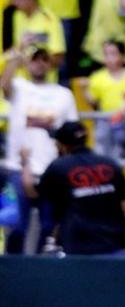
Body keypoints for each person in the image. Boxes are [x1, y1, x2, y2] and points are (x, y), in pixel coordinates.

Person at [1, 46, 77, 253]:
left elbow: (71, 131)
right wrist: (15, 59)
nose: (39, 63)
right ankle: (11, 273)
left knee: (48, 227)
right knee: (16, 227)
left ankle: (39, 272)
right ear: (29, 62)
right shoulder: (19, 86)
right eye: (35, 59)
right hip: (17, 168)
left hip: (51, 170)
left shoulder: (64, 94)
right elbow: (4, 86)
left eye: (45, 59)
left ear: (51, 63)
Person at [23, 120, 125, 255]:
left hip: (78, 250)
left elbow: (32, 192)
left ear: (62, 146)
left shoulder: (59, 167)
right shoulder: (111, 164)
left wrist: (25, 161)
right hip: (114, 247)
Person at [84, 39, 125, 158]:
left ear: (123, 56)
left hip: (124, 120)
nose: (109, 58)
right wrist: (86, 92)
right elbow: (94, 102)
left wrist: (122, 112)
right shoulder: (97, 77)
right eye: (106, 54)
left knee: (120, 152)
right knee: (101, 150)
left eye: (113, 54)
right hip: (104, 120)